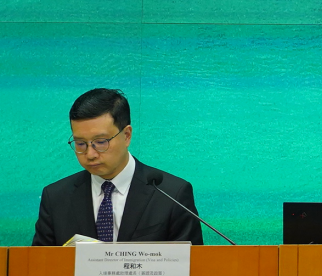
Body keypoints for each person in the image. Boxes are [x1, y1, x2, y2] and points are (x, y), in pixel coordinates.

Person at [33, 88, 204, 246]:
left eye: (101, 142)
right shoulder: (56, 198)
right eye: (80, 143)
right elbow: (39, 269)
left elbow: (192, 269)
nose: (90, 154)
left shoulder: (172, 195)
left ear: (127, 135)